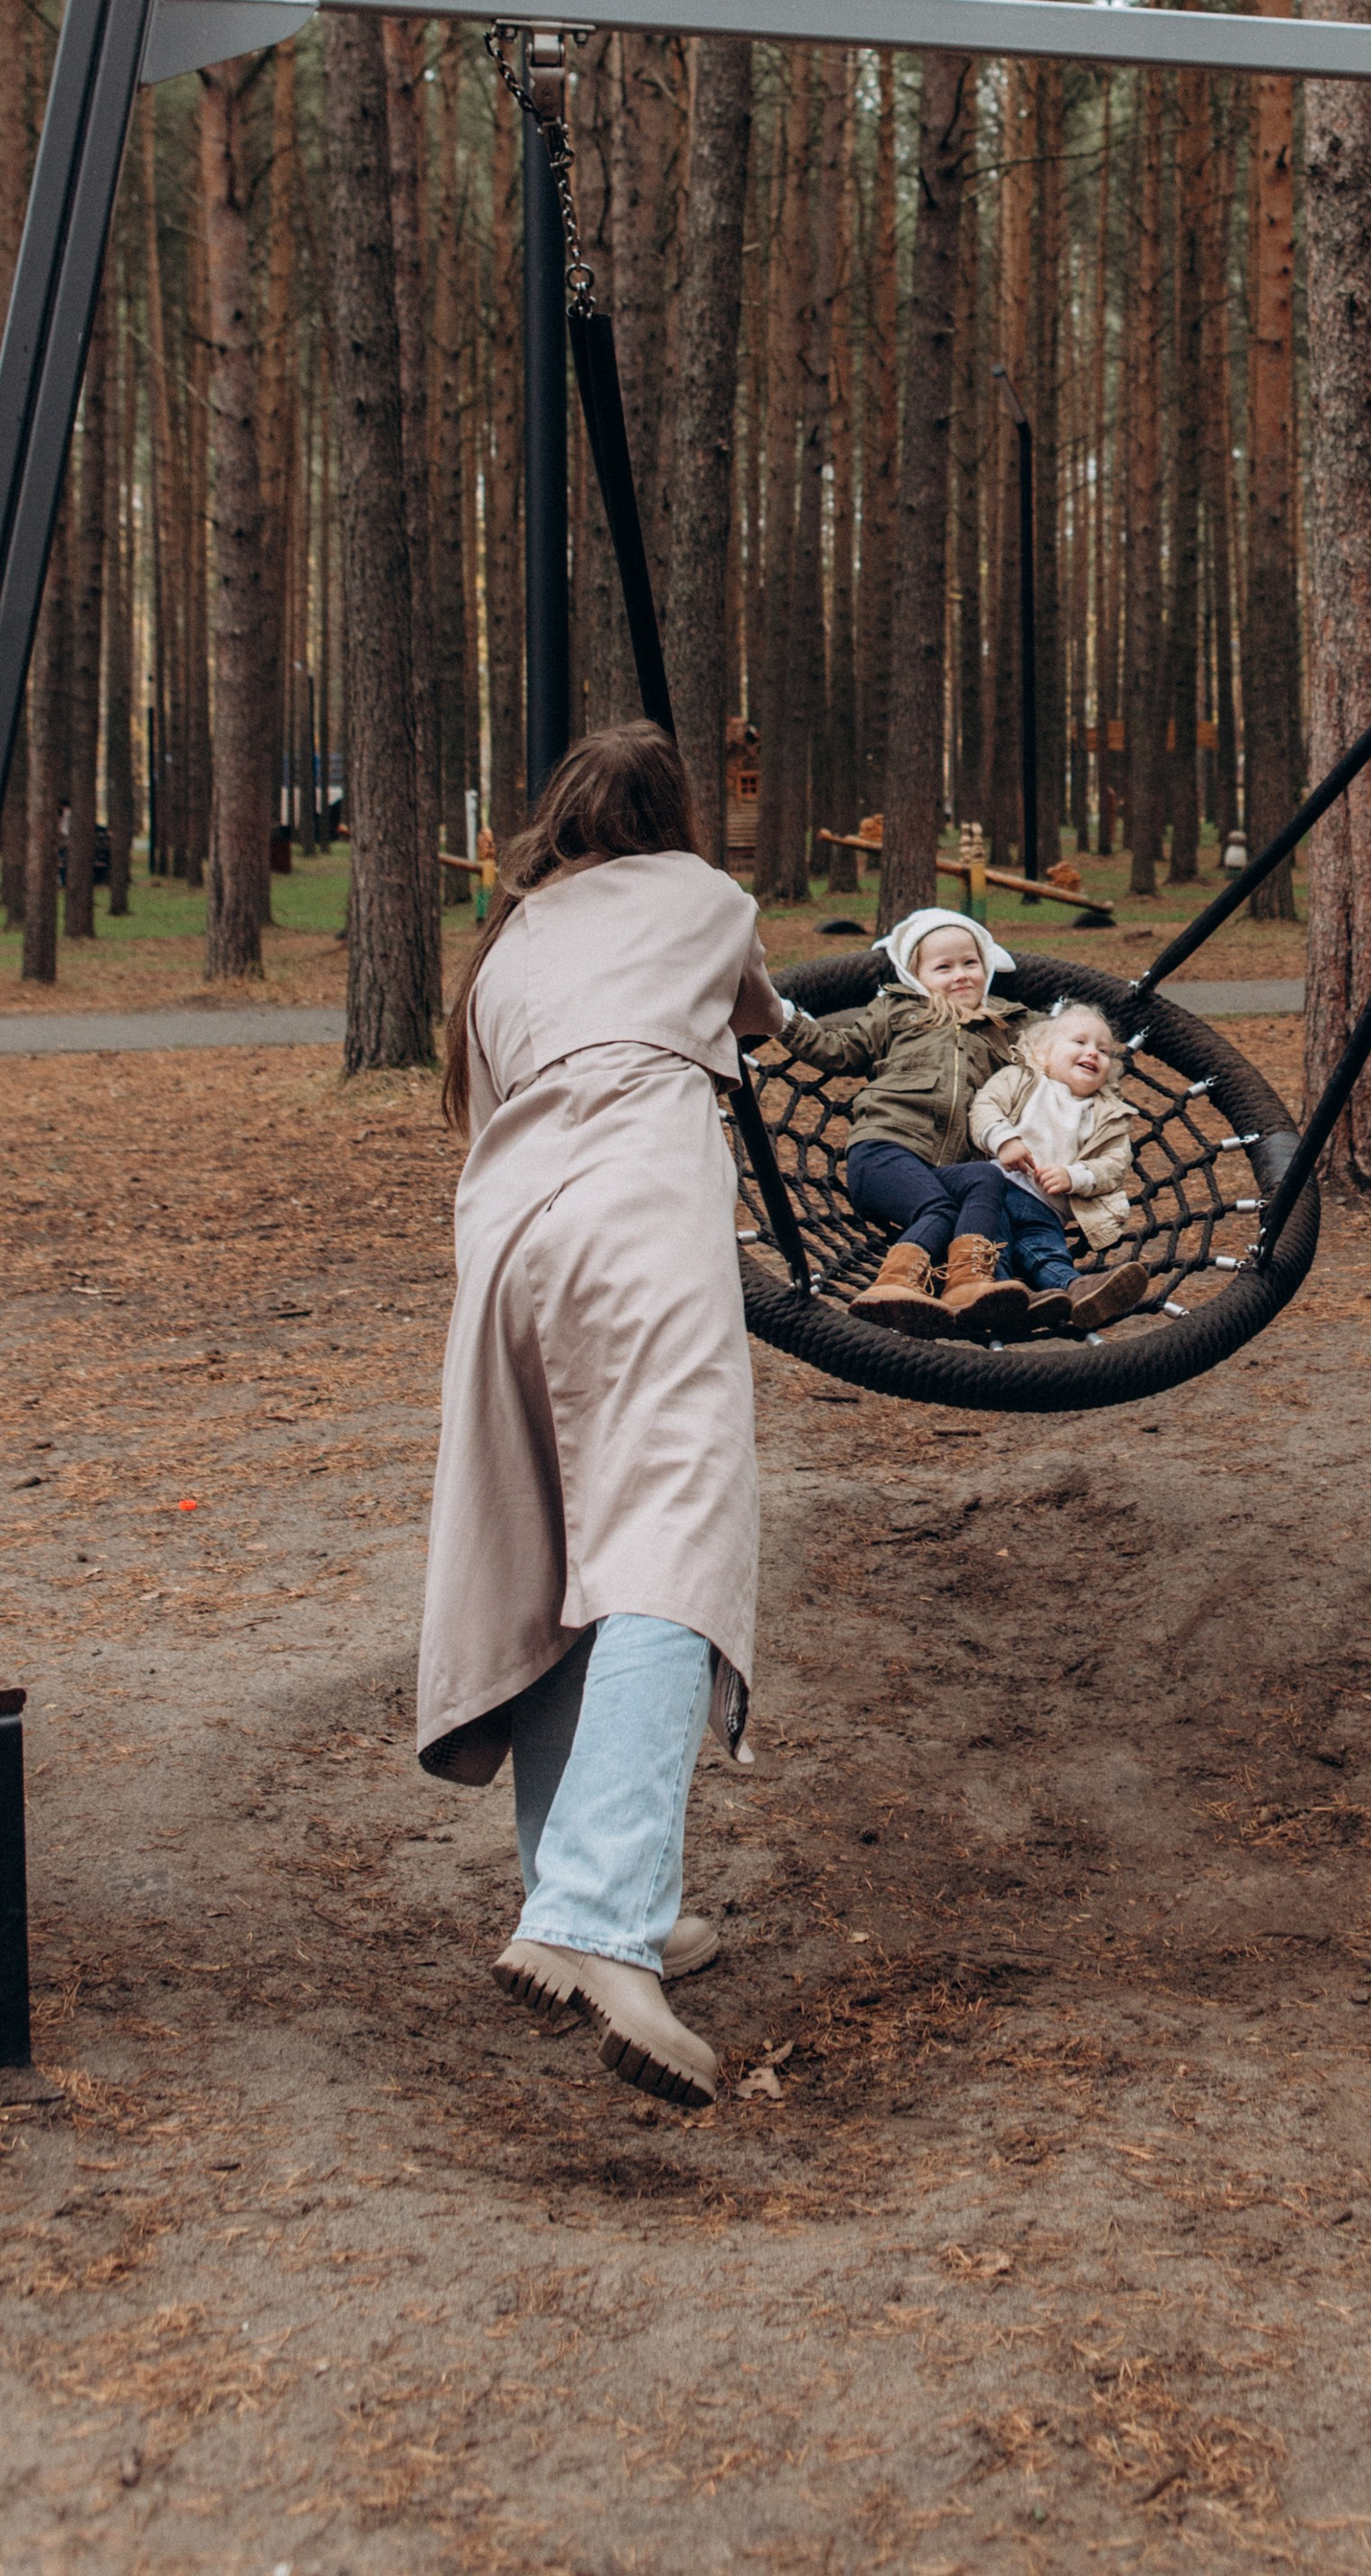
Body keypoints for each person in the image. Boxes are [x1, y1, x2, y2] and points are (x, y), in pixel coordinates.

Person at [419, 718, 787, 2112]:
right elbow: (764, 1018)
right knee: (672, 1549)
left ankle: (593, 1889)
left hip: (507, 1242)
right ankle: (592, 1920)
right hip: (637, 1221)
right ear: (673, 815)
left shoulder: (508, 944)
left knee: (573, 1545)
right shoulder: (705, 898)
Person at [781, 910, 1037, 1336]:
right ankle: (892, 1286)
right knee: (938, 1208)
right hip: (884, 1149)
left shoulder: (1006, 1023)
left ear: (988, 966)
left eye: (970, 963)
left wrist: (1090, 1038)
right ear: (915, 975)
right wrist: (783, 1019)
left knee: (985, 1179)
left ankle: (968, 1283)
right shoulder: (898, 1011)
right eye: (943, 967)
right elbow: (837, 1050)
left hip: (942, 1168)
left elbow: (1058, 1043)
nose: (960, 975)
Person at [969, 999, 1151, 1335]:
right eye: (1080, 1042)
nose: (1093, 1053)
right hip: (995, 1187)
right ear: (1043, 1053)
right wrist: (1004, 1140)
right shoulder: (1021, 1080)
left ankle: (1077, 1293)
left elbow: (1113, 1166)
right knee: (992, 1243)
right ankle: (998, 1293)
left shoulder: (1108, 1114)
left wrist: (1074, 1177)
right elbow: (984, 1107)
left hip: (1048, 1209)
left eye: (1104, 1050)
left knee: (1047, 1254)